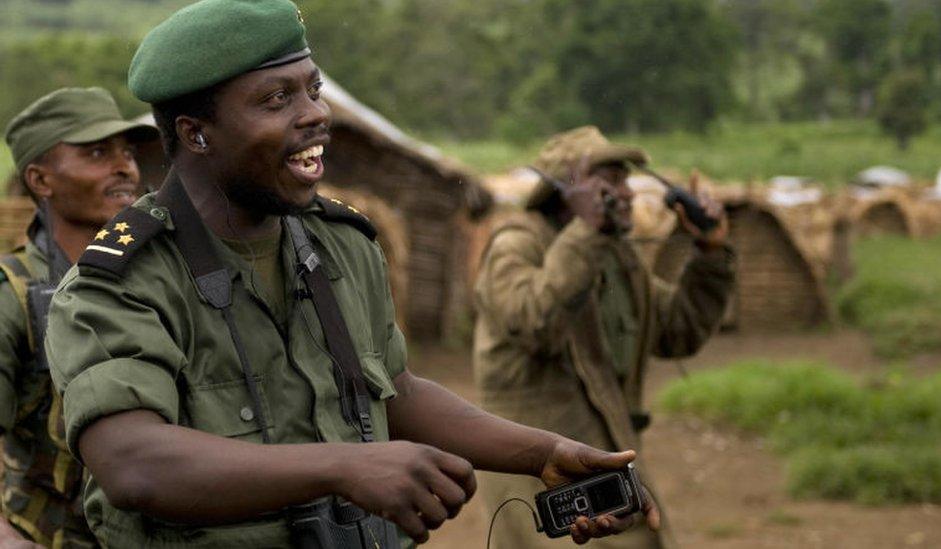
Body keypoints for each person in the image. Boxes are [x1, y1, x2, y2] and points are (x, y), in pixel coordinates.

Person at [44, 2, 660, 548]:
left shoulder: (341, 245)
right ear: (196, 133)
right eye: (276, 99)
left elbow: (396, 392)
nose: (316, 115)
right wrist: (344, 467)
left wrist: (543, 453)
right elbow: (133, 463)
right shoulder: (121, 282)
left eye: (313, 90)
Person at [473, 126, 736, 548]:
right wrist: (587, 232)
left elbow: (679, 328)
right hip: (537, 473)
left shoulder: (614, 254)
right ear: (568, 191)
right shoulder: (518, 244)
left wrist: (710, 254)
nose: (628, 194)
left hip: (603, 460)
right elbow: (535, 323)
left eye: (625, 180)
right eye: (611, 182)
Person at [0, 87, 157, 548]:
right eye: (96, 152)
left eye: (127, 152)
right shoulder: (13, 296)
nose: (124, 166)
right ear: (41, 180)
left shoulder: (157, 282)